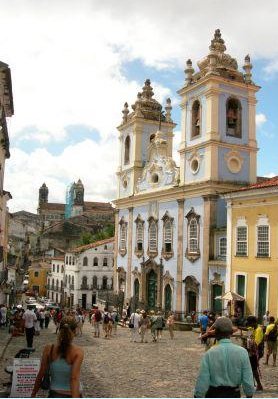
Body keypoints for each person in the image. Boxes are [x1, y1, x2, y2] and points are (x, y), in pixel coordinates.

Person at [194, 317, 254, 398]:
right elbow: (248, 378)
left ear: (216, 333)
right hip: (234, 394)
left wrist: (198, 395)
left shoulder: (210, 353)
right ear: (231, 333)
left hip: (214, 394)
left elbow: (203, 379)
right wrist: (249, 394)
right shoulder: (242, 352)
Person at [31, 316, 84, 398]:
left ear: (59, 330)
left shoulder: (49, 349)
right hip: (73, 394)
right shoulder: (78, 352)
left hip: (55, 394)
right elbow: (74, 378)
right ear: (74, 331)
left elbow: (41, 374)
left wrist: (33, 393)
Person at [244, 316, 263, 391]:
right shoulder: (251, 329)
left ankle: (259, 385)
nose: (248, 325)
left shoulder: (259, 330)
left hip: (256, 352)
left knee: (254, 368)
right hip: (251, 351)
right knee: (251, 368)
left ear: (253, 323)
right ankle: (254, 383)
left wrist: (248, 342)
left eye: (249, 323)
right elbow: (248, 337)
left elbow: (255, 343)